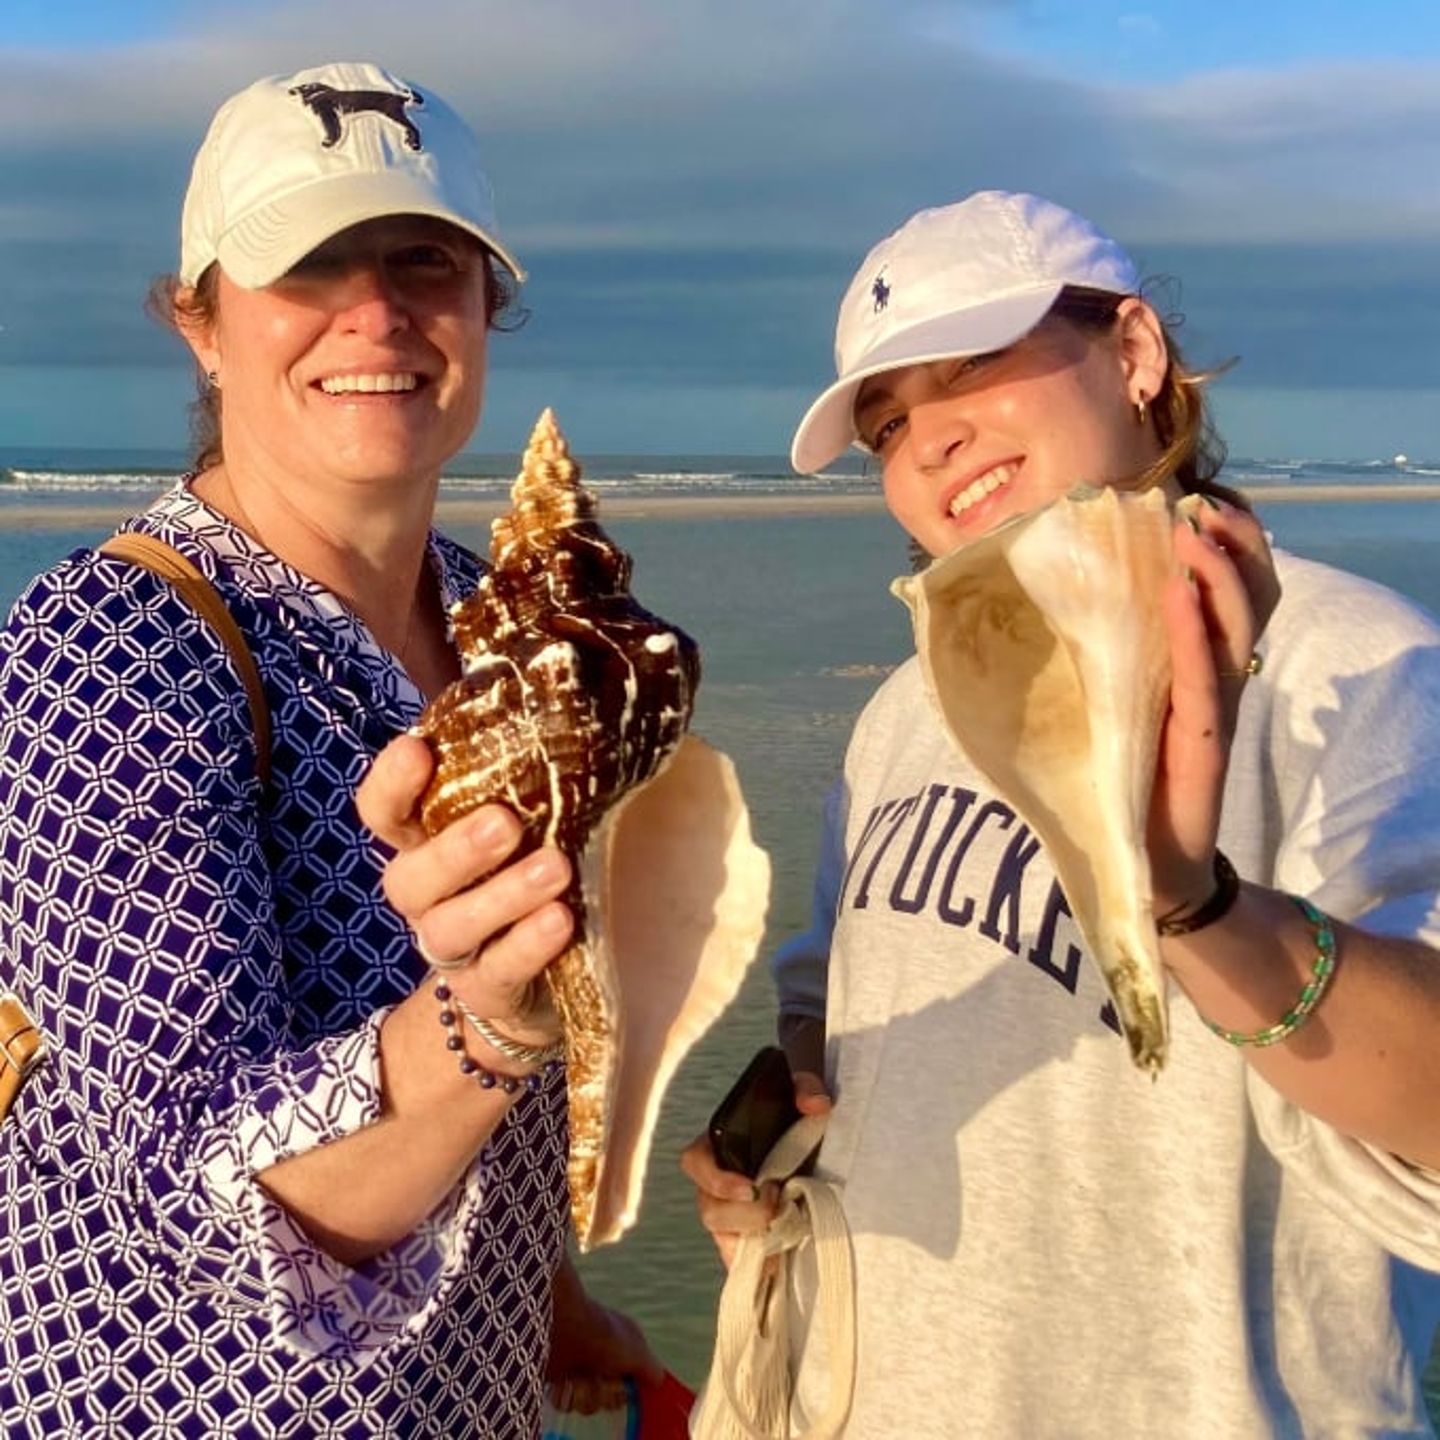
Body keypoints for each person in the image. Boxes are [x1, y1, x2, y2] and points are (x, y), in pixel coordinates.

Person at [682, 190, 1440, 1435]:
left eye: (972, 368)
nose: (926, 442)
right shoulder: (910, 710)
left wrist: (1192, 910)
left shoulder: (1352, 667)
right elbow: (836, 1009)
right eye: (887, 423)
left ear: (1135, 355)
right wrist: (784, 1126)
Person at [0, 61, 659, 1437]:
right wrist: (478, 1025)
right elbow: (196, 1191)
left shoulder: (505, 626)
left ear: (486, 308)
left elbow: (519, 1094)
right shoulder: (110, 647)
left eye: (425, 260)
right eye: (308, 265)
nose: (376, 312)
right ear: (199, 321)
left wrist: (544, 1293)